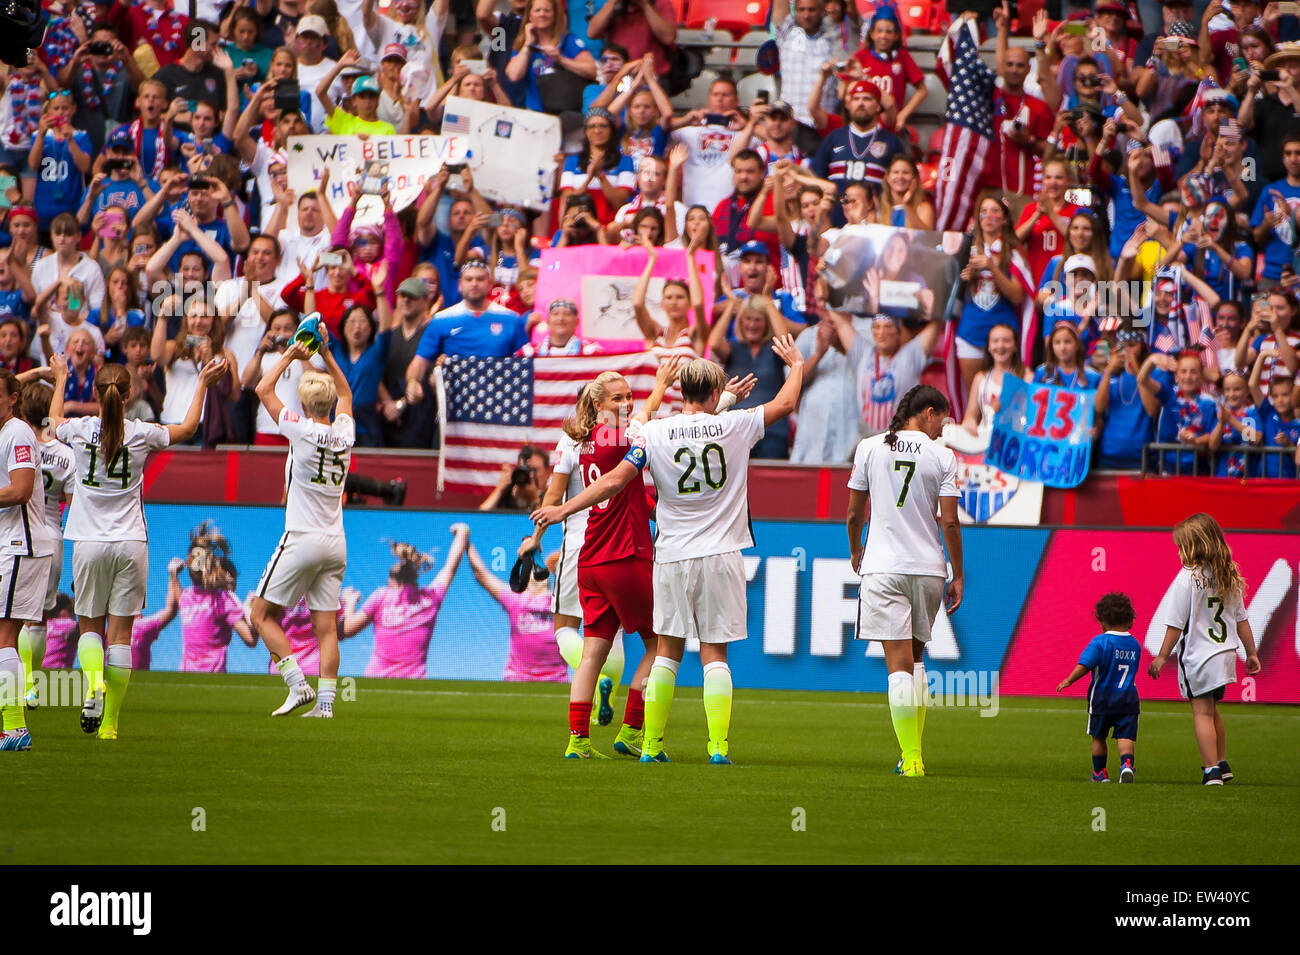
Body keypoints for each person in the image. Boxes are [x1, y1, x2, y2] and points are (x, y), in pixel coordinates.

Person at [532, 344, 806, 764]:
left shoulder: (649, 434)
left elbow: (614, 480)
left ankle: (650, 746)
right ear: (714, 393)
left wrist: (562, 510)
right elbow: (786, 401)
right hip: (719, 552)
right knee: (714, 653)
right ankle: (717, 747)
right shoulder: (733, 425)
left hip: (669, 555)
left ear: (681, 393)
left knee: (667, 652)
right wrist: (798, 364)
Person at [49, 357, 226, 741]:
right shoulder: (142, 433)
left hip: (89, 542)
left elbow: (51, 422)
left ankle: (93, 683)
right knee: (121, 636)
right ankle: (110, 726)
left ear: (96, 395)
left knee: (90, 628)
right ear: (130, 395)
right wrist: (202, 384)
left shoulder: (79, 430)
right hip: (131, 543)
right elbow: (189, 428)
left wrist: (61, 377)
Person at [523, 362, 679, 757]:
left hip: (590, 558)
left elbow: (628, 493)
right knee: (660, 645)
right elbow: (622, 467)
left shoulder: (586, 440)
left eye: (629, 396)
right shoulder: (621, 436)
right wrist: (660, 385)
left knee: (592, 650)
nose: (627, 403)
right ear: (598, 403)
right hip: (624, 553)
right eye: (618, 398)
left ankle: (578, 740)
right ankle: (631, 731)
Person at [845, 384, 964, 778]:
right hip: (928, 569)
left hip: (883, 566)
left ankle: (911, 757)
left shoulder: (869, 447)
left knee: (897, 665)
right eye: (941, 421)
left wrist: (855, 549)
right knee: (916, 660)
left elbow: (853, 512)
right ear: (928, 413)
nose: (941, 430)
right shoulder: (943, 457)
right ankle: (913, 753)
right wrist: (957, 572)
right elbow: (949, 521)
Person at [250, 335, 354, 719]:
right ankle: (326, 705)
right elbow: (346, 394)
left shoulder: (300, 429)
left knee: (260, 615)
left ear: (304, 403)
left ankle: (297, 685)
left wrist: (291, 355)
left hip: (302, 537)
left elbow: (263, 388)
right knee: (326, 627)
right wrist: (326, 352)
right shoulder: (346, 433)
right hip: (335, 541)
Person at [1149, 513, 1262, 785]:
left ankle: (1211, 769)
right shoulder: (1227, 574)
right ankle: (1222, 762)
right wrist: (1251, 653)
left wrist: (1162, 656)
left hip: (1198, 656)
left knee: (1200, 711)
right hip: (1224, 654)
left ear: (1192, 546)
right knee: (1212, 710)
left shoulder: (1187, 578)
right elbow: (1242, 619)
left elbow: (1175, 624)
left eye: (1181, 546)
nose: (1178, 552)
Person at [0, 371, 56, 752]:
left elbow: (21, 490)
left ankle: (15, 727)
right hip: (11, 543)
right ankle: (12, 723)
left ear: (13, 398)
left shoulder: (18, 433)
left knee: (3, 635)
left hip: (22, 544)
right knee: (5, 636)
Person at [16, 382, 75, 707]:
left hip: (16, 531)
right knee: (37, 616)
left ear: (22, 411)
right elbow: (73, 503)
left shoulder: (14, 444)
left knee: (10, 615)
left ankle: (14, 680)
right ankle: (30, 684)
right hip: (51, 535)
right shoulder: (66, 455)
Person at [342, 529, 470, 679]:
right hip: (414, 681)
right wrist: (462, 533)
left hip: (375, 679)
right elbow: (450, 568)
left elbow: (348, 629)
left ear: (392, 581)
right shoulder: (430, 599)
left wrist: (349, 602)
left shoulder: (381, 596)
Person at [1055, 592, 1143, 783]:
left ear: (1102, 621)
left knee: (1098, 737)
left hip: (1102, 699)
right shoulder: (1134, 645)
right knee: (1125, 736)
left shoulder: (1100, 642)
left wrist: (1069, 680)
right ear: (1130, 620)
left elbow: (1085, 665)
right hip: (1128, 699)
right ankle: (1126, 765)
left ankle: (1099, 773)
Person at [465, 540, 568, 682]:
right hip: (518, 680)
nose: (536, 570)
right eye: (530, 568)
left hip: (556, 681)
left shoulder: (562, 601)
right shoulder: (516, 599)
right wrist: (464, 539)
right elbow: (481, 574)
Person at [178, 522, 257, 672]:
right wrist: (250, 607)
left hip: (186, 677)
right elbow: (251, 639)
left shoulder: (186, 597)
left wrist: (174, 575)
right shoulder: (224, 599)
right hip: (211, 676)